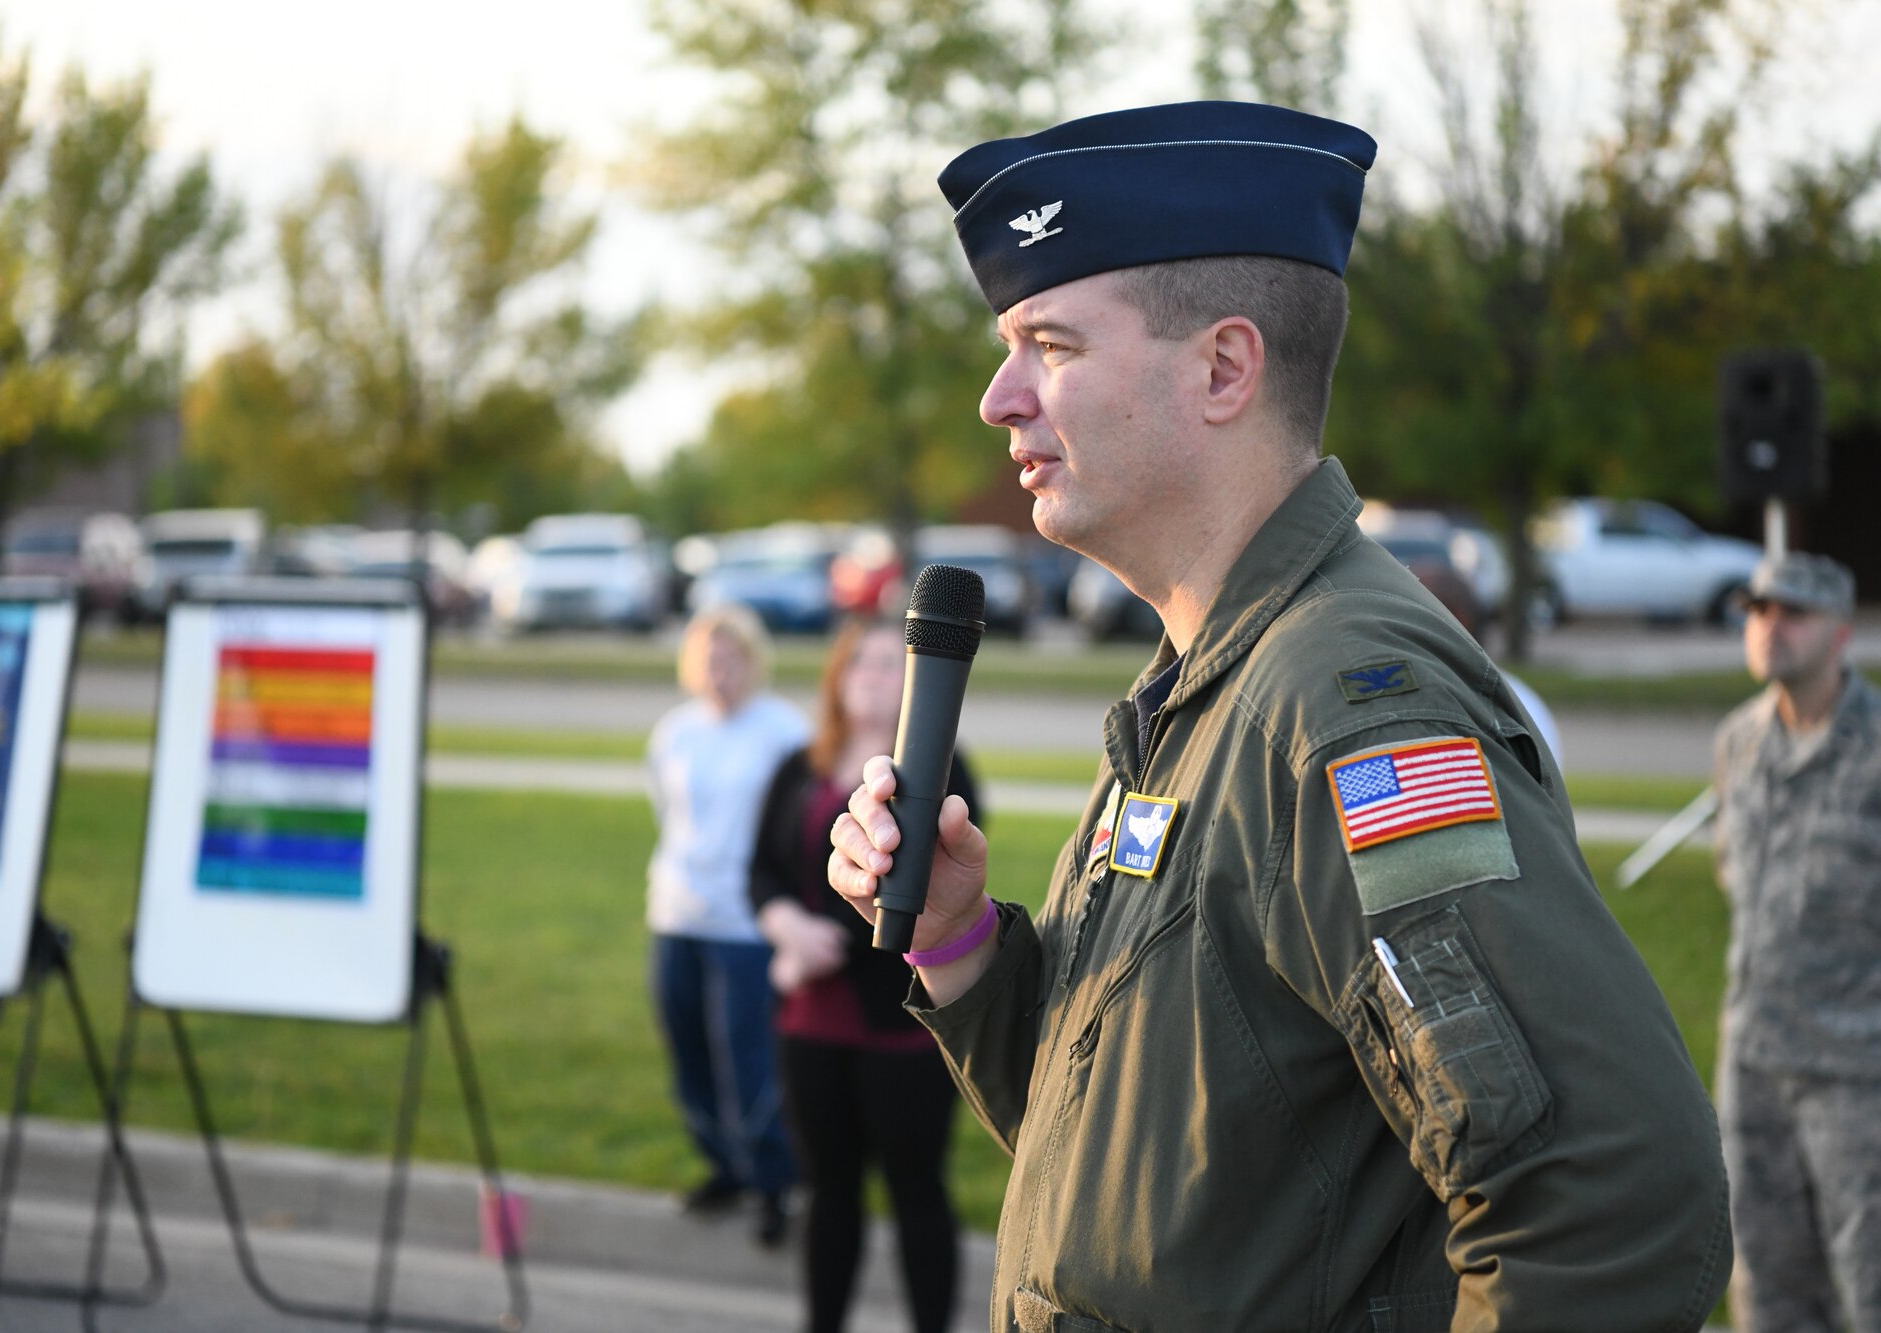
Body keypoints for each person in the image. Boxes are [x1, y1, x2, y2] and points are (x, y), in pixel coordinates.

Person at [827, 101, 1731, 1330]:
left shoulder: (1344, 706)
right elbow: (1132, 1155)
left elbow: (1607, 1206)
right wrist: (957, 942)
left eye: (1052, 345)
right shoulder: (1206, 684)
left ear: (1222, 368)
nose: (999, 399)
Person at [752, 618, 981, 1333]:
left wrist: (827, 947)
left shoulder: (944, 769)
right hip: (811, 1021)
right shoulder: (800, 764)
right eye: (861, 663)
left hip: (902, 1021)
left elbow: (923, 895)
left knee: (917, 1189)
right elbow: (761, 871)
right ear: (837, 678)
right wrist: (786, 931)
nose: (873, 676)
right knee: (829, 1192)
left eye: (890, 664)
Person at [1713, 552, 1881, 1333]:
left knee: (1869, 1280)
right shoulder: (1737, 743)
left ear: (1842, 632)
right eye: (1757, 610)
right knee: (1768, 1286)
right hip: (1753, 1062)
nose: (1769, 629)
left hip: (1858, 1072)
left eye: (1793, 613)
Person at [646, 603, 809, 1244]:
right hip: (677, 915)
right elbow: (666, 809)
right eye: (710, 660)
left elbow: (796, 832)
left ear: (754, 662)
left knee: (749, 1060)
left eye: (733, 659)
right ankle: (725, 1167)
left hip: (746, 925)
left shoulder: (783, 732)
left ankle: (775, 1183)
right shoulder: (674, 733)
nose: (722, 672)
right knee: (689, 1054)